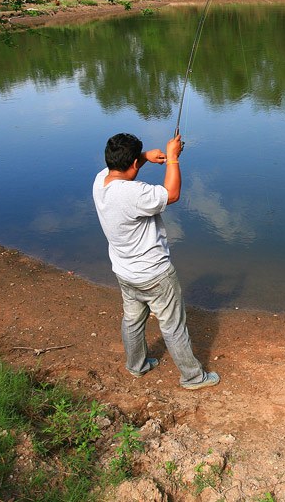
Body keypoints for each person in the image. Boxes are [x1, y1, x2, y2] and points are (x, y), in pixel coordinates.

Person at [92, 132, 219, 390]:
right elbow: (171, 194)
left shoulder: (99, 181)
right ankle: (193, 377)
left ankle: (137, 366)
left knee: (132, 319)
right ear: (133, 165)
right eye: (137, 161)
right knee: (173, 326)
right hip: (155, 274)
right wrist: (172, 158)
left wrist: (145, 157)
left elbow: (122, 167)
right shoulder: (133, 193)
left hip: (125, 272)